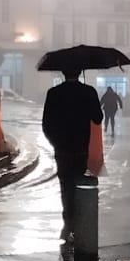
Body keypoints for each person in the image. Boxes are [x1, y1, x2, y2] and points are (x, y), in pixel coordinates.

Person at [41, 68, 104, 243]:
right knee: (79, 184)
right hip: (81, 149)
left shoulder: (54, 93)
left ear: (63, 72)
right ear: (80, 72)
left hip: (62, 150)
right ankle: (77, 222)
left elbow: (46, 124)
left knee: (65, 186)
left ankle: (68, 222)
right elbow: (98, 118)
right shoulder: (88, 92)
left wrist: (55, 142)